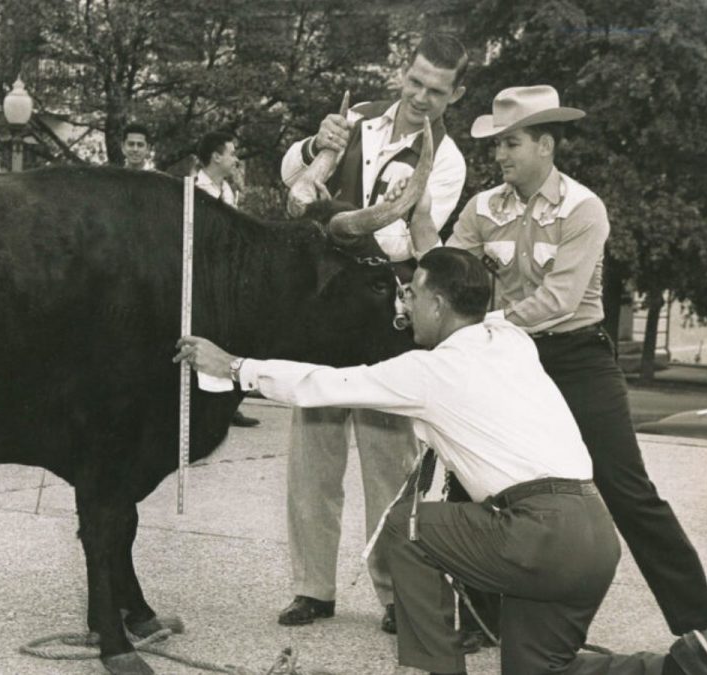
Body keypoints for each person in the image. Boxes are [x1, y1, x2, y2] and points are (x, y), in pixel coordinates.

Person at [174, 247, 707, 675]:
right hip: (595, 538)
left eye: (411, 294)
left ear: (436, 304)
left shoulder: (429, 372)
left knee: (405, 533)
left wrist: (235, 365)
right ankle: (672, 668)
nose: (402, 306)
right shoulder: (509, 339)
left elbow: (326, 384)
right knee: (539, 671)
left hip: (540, 536)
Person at [446, 85, 707, 669]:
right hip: (504, 358)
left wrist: (483, 323)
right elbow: (451, 276)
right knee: (478, 482)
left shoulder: (583, 208)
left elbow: (559, 299)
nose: (499, 155)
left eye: (511, 143)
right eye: (495, 144)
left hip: (574, 356)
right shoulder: (480, 208)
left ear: (545, 145)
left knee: (626, 488)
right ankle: (475, 617)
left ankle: (699, 623)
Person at [274, 33, 469, 637]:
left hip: (388, 316)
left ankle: (392, 593)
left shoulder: (449, 160)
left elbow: (397, 239)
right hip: (325, 311)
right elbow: (291, 173)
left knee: (389, 467)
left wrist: (324, 212)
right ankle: (314, 589)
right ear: (403, 73)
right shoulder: (355, 118)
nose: (419, 96)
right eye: (414, 81)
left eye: (435, 91)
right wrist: (315, 143)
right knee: (313, 458)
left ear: (454, 95)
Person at [194, 129, 261, 428]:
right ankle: (202, 404)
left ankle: (228, 404)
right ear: (216, 156)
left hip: (227, 276)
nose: (235, 159)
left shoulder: (228, 191)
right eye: (231, 153)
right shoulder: (195, 188)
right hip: (203, 276)